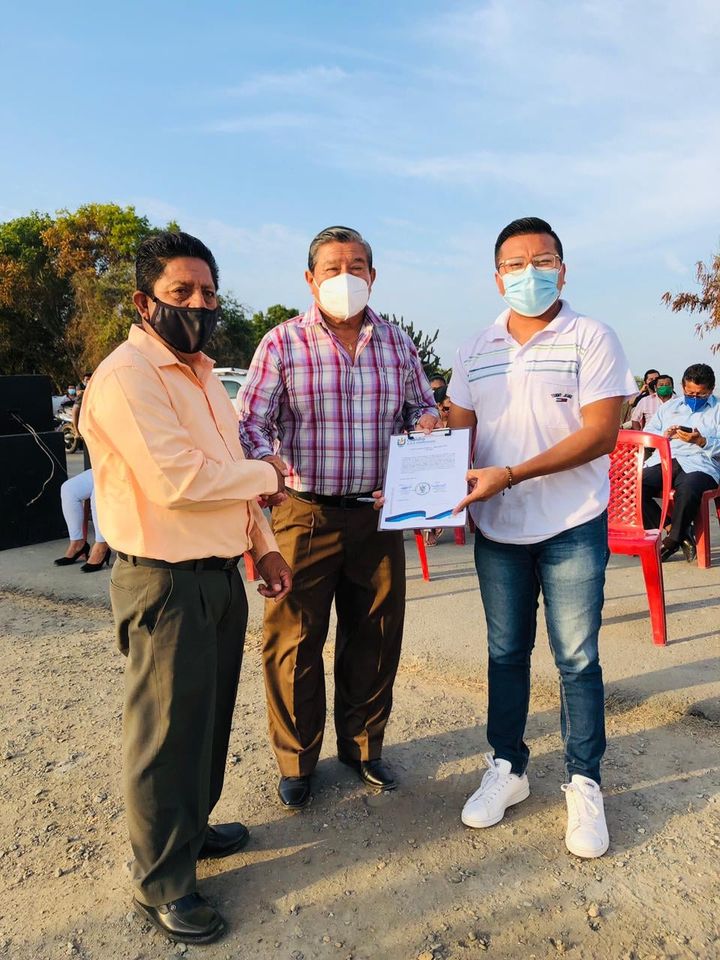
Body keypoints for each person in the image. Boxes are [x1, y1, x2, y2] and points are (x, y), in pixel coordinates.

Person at [80, 231, 292, 944]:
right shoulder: (127, 378)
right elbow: (180, 481)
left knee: (206, 721)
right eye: (181, 292)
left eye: (208, 292)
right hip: (164, 583)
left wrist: (263, 547)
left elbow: (229, 474)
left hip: (219, 576)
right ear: (145, 302)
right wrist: (271, 473)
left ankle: (191, 829)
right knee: (166, 736)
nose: (199, 304)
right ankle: (162, 882)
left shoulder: (202, 376)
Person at [447, 216, 635, 859]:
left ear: (563, 268)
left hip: (571, 522)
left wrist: (511, 474)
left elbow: (601, 434)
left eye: (542, 260)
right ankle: (508, 767)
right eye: (515, 263)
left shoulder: (592, 337)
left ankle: (584, 782)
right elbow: (458, 437)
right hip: (498, 528)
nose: (529, 272)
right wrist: (420, 487)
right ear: (497, 276)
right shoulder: (475, 348)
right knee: (505, 654)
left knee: (576, 658)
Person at [238, 225, 438, 810]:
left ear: (373, 276)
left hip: (377, 514)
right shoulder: (282, 343)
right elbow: (250, 421)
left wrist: (425, 428)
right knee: (293, 640)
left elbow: (420, 407)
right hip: (303, 512)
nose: (345, 278)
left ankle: (363, 747)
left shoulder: (396, 343)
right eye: (332, 268)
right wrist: (266, 462)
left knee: (375, 633)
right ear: (311, 278)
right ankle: (296, 760)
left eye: (356, 267)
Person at [641, 363, 720, 563]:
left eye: (700, 394)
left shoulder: (718, 409)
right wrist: (664, 436)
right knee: (633, 487)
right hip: (666, 459)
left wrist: (702, 441)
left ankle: (672, 540)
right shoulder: (669, 407)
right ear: (683, 386)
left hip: (701, 463)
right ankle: (676, 530)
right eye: (690, 393)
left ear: (711, 389)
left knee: (688, 488)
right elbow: (647, 434)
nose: (694, 398)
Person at [54, 468, 110, 571]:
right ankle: (77, 543)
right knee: (68, 488)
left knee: (98, 492)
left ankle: (101, 545)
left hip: (130, 469)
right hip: (105, 467)